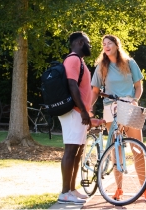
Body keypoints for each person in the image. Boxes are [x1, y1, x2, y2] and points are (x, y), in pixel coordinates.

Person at [90, 34, 146, 202]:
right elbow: (95, 90)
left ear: (117, 45)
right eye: (104, 44)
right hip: (110, 107)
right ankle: (119, 189)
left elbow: (138, 86)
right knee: (115, 149)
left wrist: (134, 100)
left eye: (109, 43)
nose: (106, 46)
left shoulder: (130, 63)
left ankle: (144, 187)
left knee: (137, 147)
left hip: (129, 106)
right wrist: (89, 108)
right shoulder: (101, 66)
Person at [57, 31, 93, 205]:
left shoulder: (80, 61)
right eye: (88, 42)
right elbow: (72, 85)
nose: (90, 45)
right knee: (70, 151)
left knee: (77, 152)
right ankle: (64, 192)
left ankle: (71, 189)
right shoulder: (73, 59)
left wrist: (87, 112)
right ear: (79, 42)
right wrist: (84, 111)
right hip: (74, 112)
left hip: (80, 113)